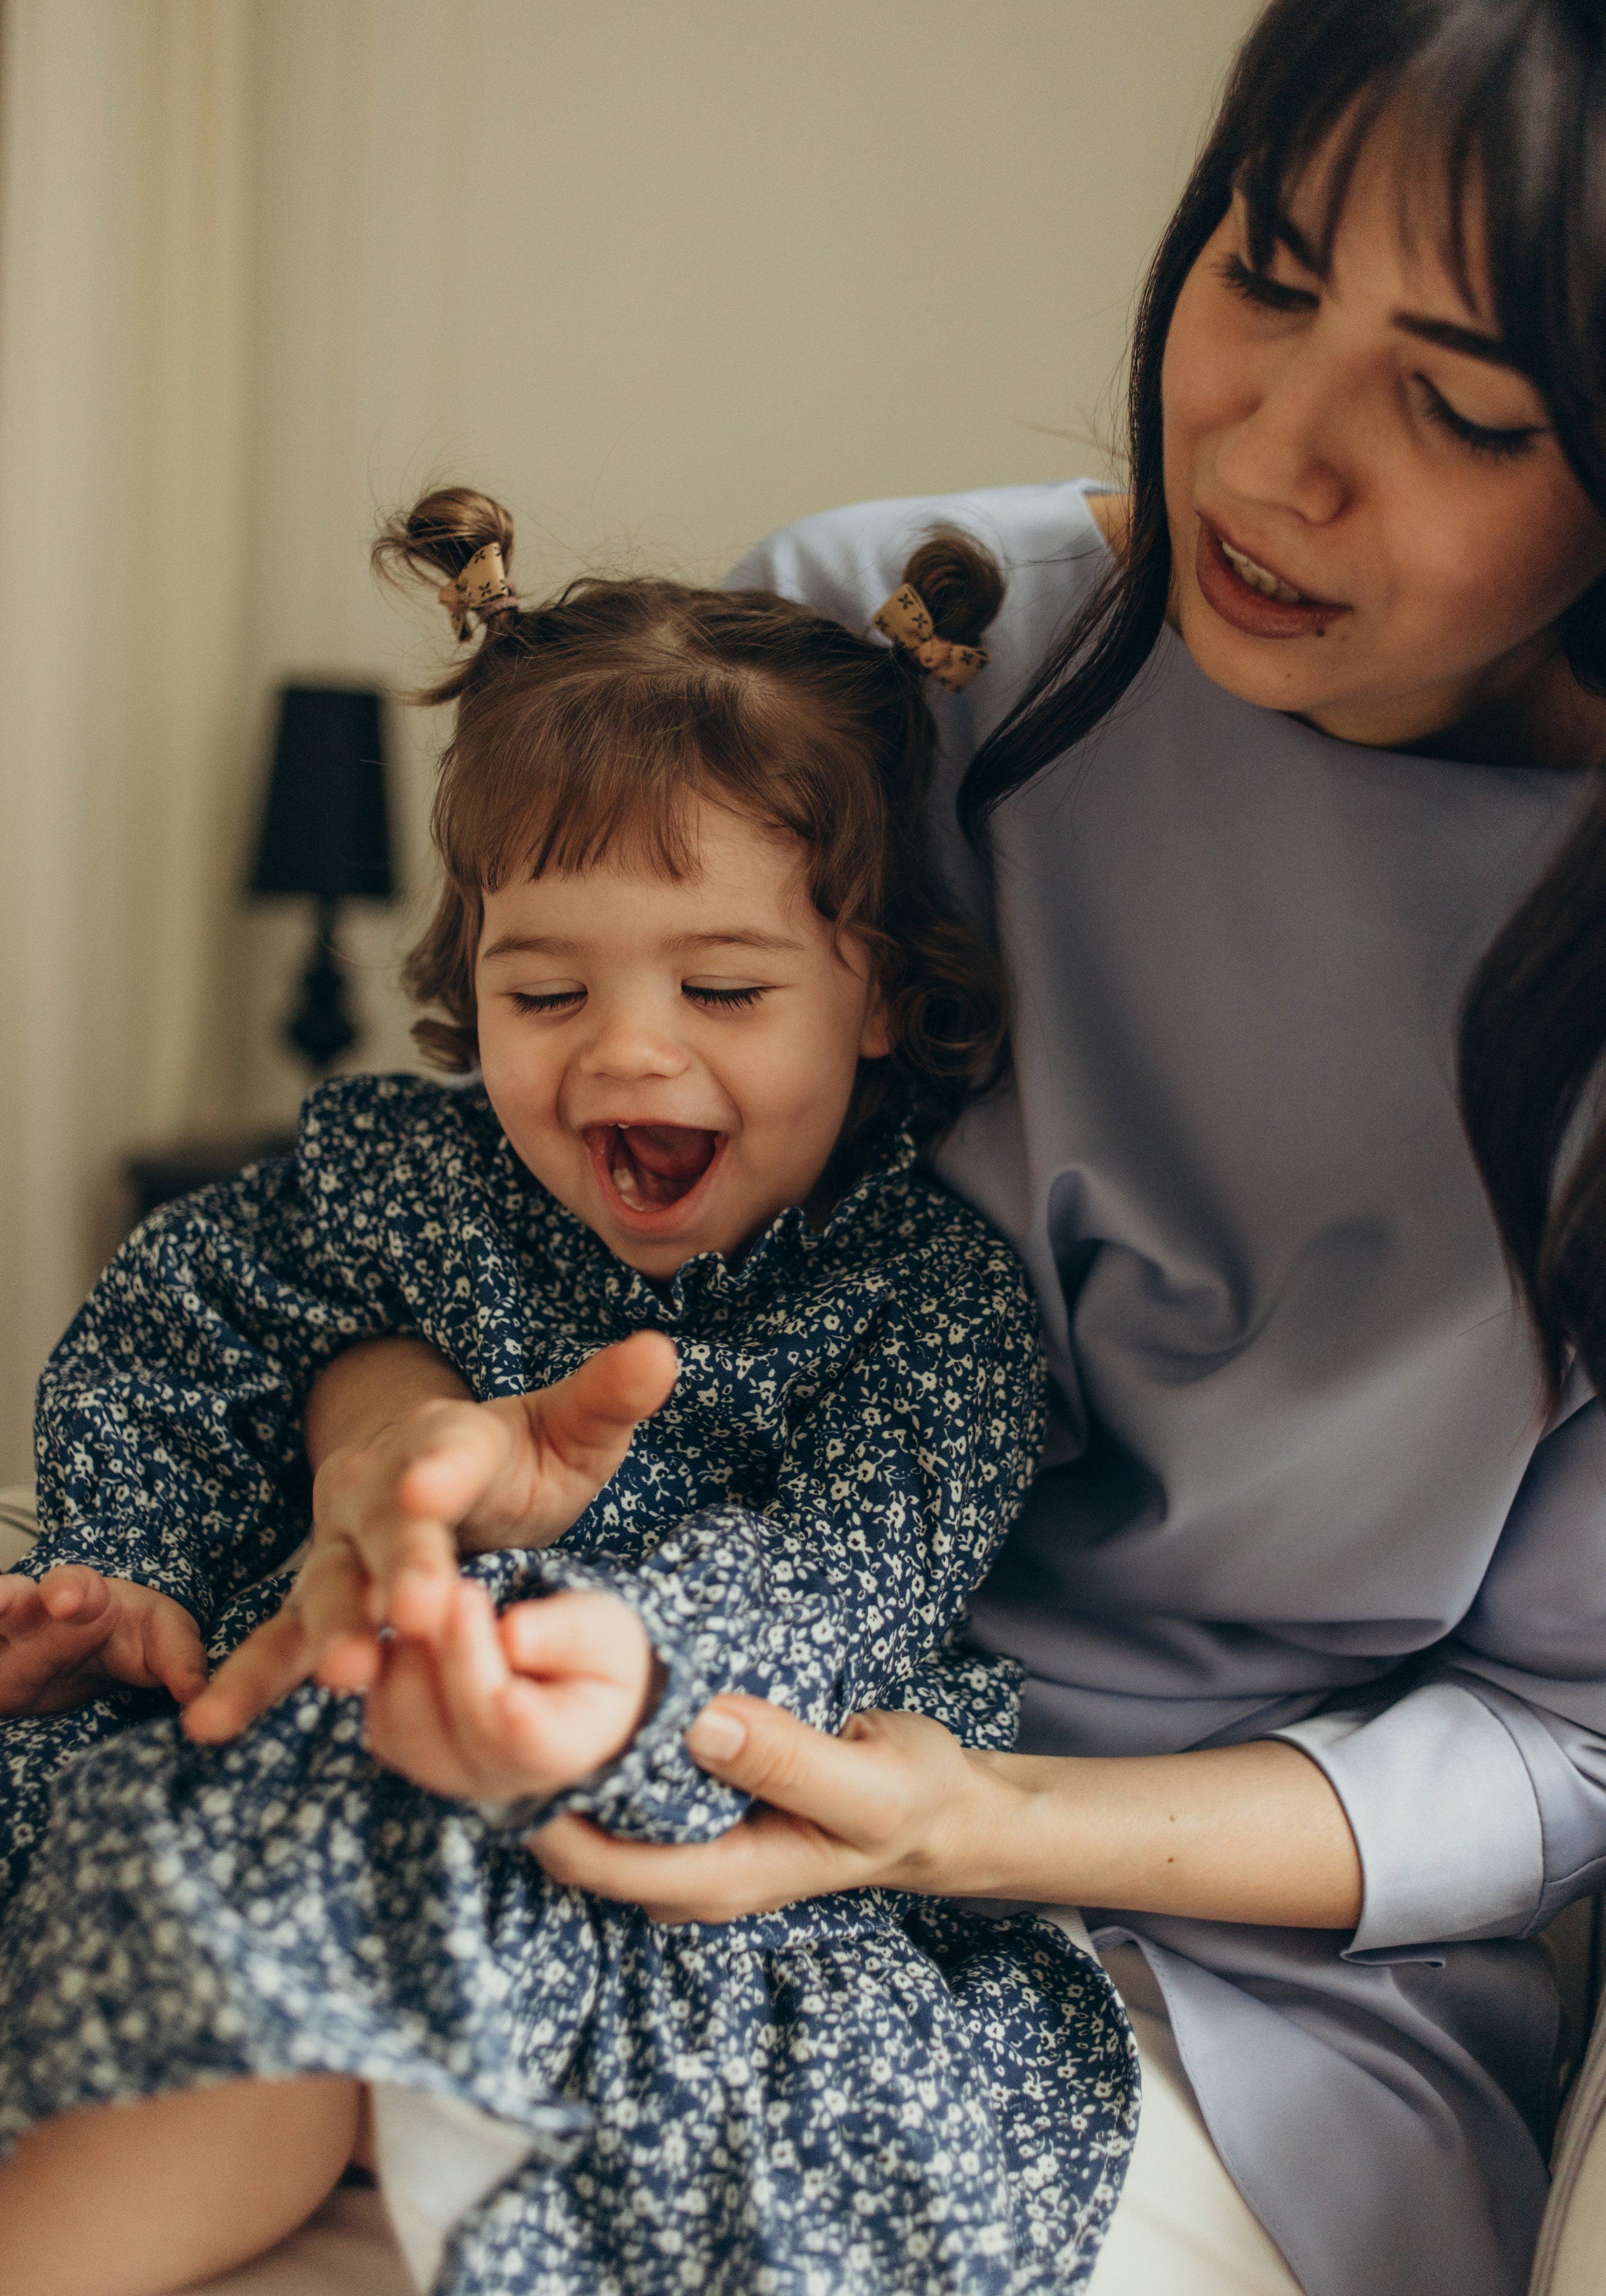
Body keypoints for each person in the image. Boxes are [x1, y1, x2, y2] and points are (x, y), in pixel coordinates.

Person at [269, 0, 1606, 2294]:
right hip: (630, 1718)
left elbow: (1561, 1741)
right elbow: (494, 1254)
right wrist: (395, 1462)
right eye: (1265, 276)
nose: (1273, 456)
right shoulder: (894, 655)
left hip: (1214, 1963)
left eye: (1466, 408)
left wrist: (968, 1823)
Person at [0, 497, 1137, 2295]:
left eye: (724, 987)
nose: (626, 1047)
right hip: (311, 1757)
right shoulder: (410, 1178)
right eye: (545, 990)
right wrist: (130, 1571)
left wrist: (616, 1675)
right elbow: (181, 1330)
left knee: (692, 2070)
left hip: (656, 1811)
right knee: (218, 1906)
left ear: (878, 994)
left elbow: (849, 1571)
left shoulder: (930, 1302)